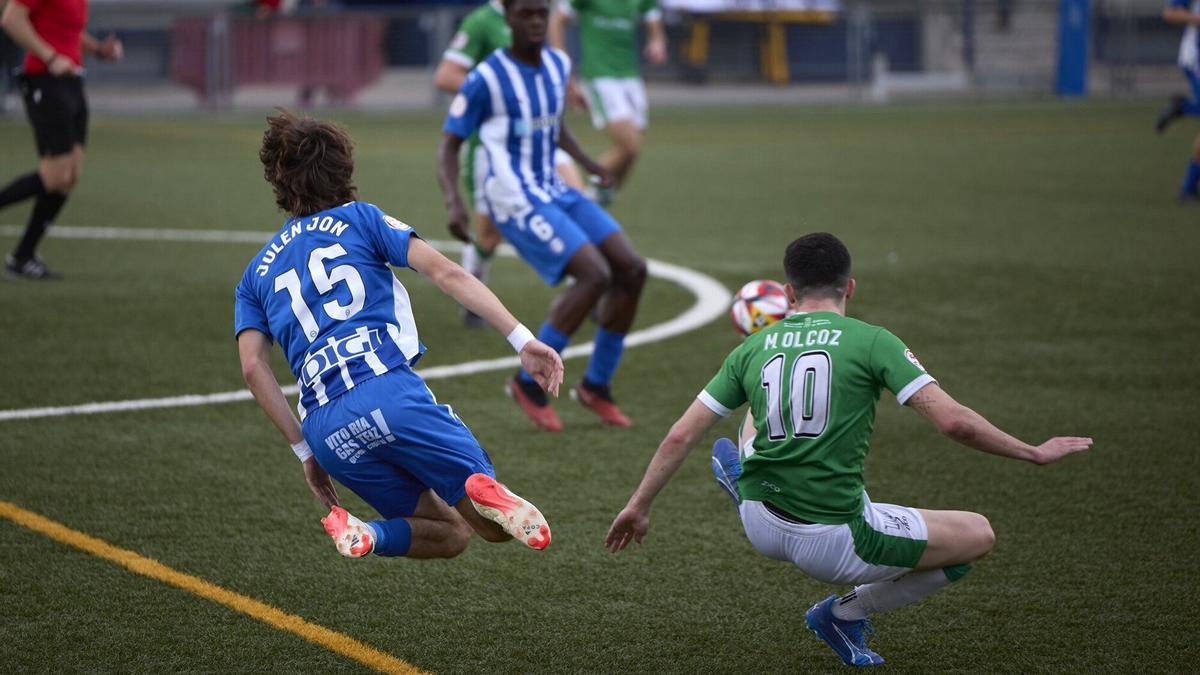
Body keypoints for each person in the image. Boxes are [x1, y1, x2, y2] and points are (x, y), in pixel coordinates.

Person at [605, 233, 1092, 667]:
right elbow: (955, 423)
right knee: (976, 537)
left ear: (789, 293)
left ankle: (747, 471)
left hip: (761, 523)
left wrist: (638, 505)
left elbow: (679, 436)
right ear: (850, 287)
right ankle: (841, 613)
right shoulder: (873, 341)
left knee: (765, 399)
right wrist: (1032, 451)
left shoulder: (753, 346)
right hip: (833, 541)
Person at [236, 110, 562, 560]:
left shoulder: (255, 274)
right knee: (491, 528)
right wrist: (521, 338)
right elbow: (447, 272)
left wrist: (305, 452)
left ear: (278, 181)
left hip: (326, 428)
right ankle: (475, 482)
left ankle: (368, 534)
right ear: (342, 169)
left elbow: (253, 366)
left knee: (450, 535)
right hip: (389, 392)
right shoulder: (360, 219)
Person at [437, 0, 648, 432]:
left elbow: (553, 124)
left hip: (554, 188)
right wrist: (454, 201)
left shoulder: (556, 63)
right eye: (525, 13)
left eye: (541, 13)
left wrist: (589, 164)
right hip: (514, 197)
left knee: (631, 268)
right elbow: (450, 144)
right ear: (508, 17)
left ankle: (596, 387)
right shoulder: (487, 77)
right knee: (593, 274)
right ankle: (528, 384)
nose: (535, 21)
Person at [433, 0, 584, 328]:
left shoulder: (539, 11)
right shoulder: (481, 22)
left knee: (576, 198)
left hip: (542, 137)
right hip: (497, 149)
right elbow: (446, 76)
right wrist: (498, 89)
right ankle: (474, 285)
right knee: (489, 236)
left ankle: (584, 289)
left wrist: (566, 86)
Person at [0, 0, 122, 279]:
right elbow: (11, 19)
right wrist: (51, 56)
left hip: (71, 81)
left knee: (70, 176)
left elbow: (64, 29)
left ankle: (22, 256)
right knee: (55, 177)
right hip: (44, 79)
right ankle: (22, 256)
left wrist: (97, 50)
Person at [548, 0, 666, 206]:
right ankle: (582, 202)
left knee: (631, 152)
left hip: (630, 76)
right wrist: (563, 68)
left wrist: (657, 40)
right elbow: (557, 20)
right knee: (629, 145)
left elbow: (653, 18)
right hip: (600, 76)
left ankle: (595, 205)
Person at [1156, 0, 1200, 202]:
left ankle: (1188, 189)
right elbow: (1170, 13)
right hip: (1196, 59)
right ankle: (1188, 188)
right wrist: (1196, 19)